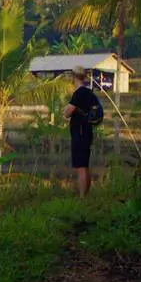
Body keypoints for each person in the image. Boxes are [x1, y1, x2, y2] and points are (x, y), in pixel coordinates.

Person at [63, 66, 98, 197]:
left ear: (74, 77)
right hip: (87, 132)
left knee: (81, 167)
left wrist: (66, 109)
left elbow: (67, 113)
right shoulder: (90, 93)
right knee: (85, 165)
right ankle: (86, 195)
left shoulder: (79, 94)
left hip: (80, 132)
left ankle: (83, 197)